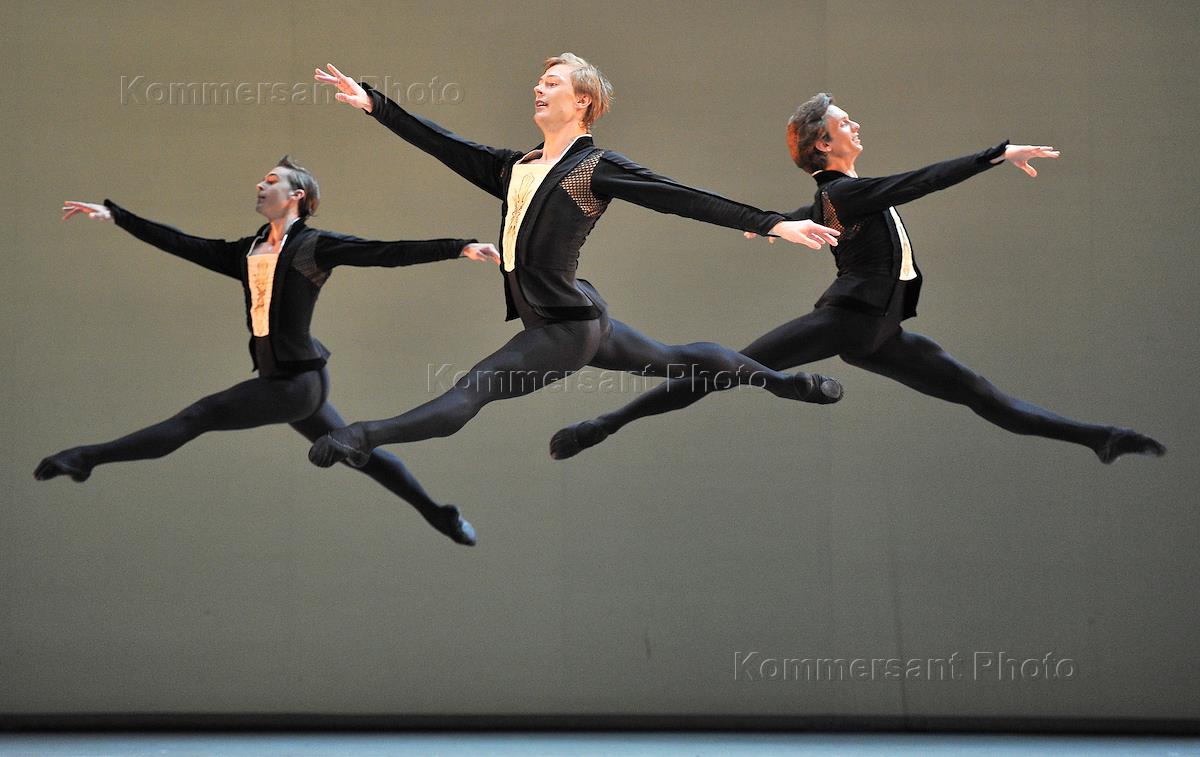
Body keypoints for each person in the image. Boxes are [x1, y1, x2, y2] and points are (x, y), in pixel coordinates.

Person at [550, 94, 1165, 464]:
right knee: (726, 368)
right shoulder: (850, 192)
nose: (856, 127)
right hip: (849, 319)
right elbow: (919, 182)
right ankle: (601, 425)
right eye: (845, 123)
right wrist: (994, 156)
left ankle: (1102, 438)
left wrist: (776, 223)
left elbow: (822, 210)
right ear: (823, 143)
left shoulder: (839, 196)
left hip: (881, 332)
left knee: (980, 394)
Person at [306, 55, 844, 469]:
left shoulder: (594, 167)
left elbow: (679, 197)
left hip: (564, 328)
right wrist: (375, 104)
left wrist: (774, 223)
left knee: (472, 390)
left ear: (582, 100)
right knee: (676, 359)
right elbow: (444, 144)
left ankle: (361, 437)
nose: (538, 89)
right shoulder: (516, 167)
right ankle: (783, 383)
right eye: (539, 83)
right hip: (580, 311)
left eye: (552, 83)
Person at [34, 156, 501, 546]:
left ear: (297, 195)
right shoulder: (249, 250)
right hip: (289, 381)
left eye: (271, 180)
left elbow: (383, 251)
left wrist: (458, 247)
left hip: (295, 384)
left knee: (198, 416)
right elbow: (185, 244)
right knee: (361, 456)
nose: (260, 185)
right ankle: (438, 513)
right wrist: (118, 216)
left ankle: (85, 458)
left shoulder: (313, 246)